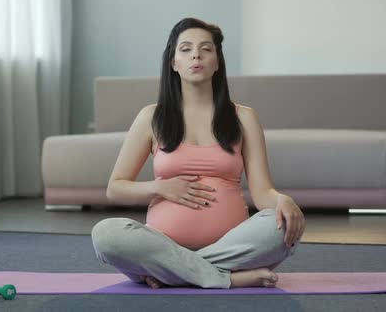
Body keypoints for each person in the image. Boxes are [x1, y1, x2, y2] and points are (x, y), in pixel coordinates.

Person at [91, 17, 305, 289]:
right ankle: (223, 277)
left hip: (232, 246)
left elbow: (263, 192)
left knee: (283, 225)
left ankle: (173, 274)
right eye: (186, 49)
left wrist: (281, 200)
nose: (196, 54)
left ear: (217, 62)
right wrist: (161, 188)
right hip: (164, 243)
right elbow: (115, 188)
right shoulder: (151, 117)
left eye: (206, 49)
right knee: (106, 234)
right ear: (173, 63)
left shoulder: (244, 117)